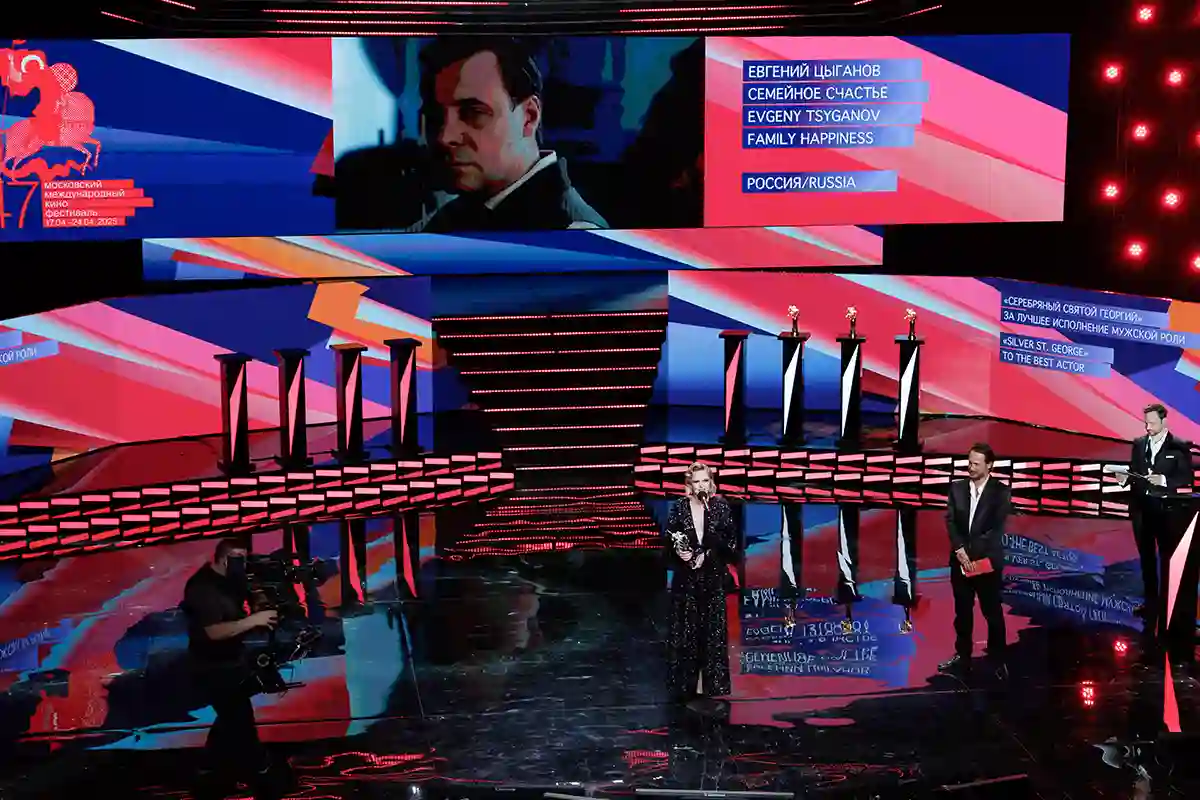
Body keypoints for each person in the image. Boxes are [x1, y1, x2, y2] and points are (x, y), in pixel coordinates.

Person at [413, 36, 608, 232]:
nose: (445, 137)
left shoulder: (574, 232)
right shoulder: (450, 217)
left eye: (474, 112)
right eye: (435, 117)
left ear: (529, 116)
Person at [182, 539, 279, 796]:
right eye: (239, 559)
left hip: (231, 662)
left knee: (230, 719)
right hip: (210, 667)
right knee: (241, 720)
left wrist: (259, 600)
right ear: (225, 558)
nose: (243, 565)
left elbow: (251, 589)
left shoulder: (231, 577)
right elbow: (213, 632)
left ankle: (207, 770)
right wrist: (254, 620)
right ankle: (264, 775)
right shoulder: (202, 588)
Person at [664, 462, 738, 703]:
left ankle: (708, 685)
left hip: (712, 578)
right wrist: (681, 552)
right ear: (689, 485)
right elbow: (669, 537)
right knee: (687, 632)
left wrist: (706, 555)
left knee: (711, 632)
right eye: (696, 482)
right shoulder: (679, 508)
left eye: (705, 480)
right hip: (686, 580)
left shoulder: (720, 507)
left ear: (711, 483)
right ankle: (687, 685)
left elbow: (730, 542)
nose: (701, 485)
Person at [939, 443, 1012, 679]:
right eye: (969, 463)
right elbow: (950, 521)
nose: (970, 467)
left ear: (989, 465)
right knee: (962, 612)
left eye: (976, 464)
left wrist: (972, 556)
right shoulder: (957, 488)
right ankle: (963, 656)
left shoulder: (1000, 492)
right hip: (960, 562)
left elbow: (994, 530)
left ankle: (998, 660)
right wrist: (960, 551)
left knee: (992, 613)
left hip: (986, 562)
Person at [1122, 403, 1194, 628]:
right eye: (1146, 423)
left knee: (1166, 558)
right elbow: (1134, 470)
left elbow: (1186, 477)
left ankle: (1167, 604)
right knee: (1146, 558)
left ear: (1164, 421)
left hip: (1166, 512)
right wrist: (1125, 478)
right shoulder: (1139, 444)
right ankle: (1150, 603)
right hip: (1141, 509)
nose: (1148, 427)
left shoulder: (1179, 446)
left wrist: (1163, 481)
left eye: (1152, 423)